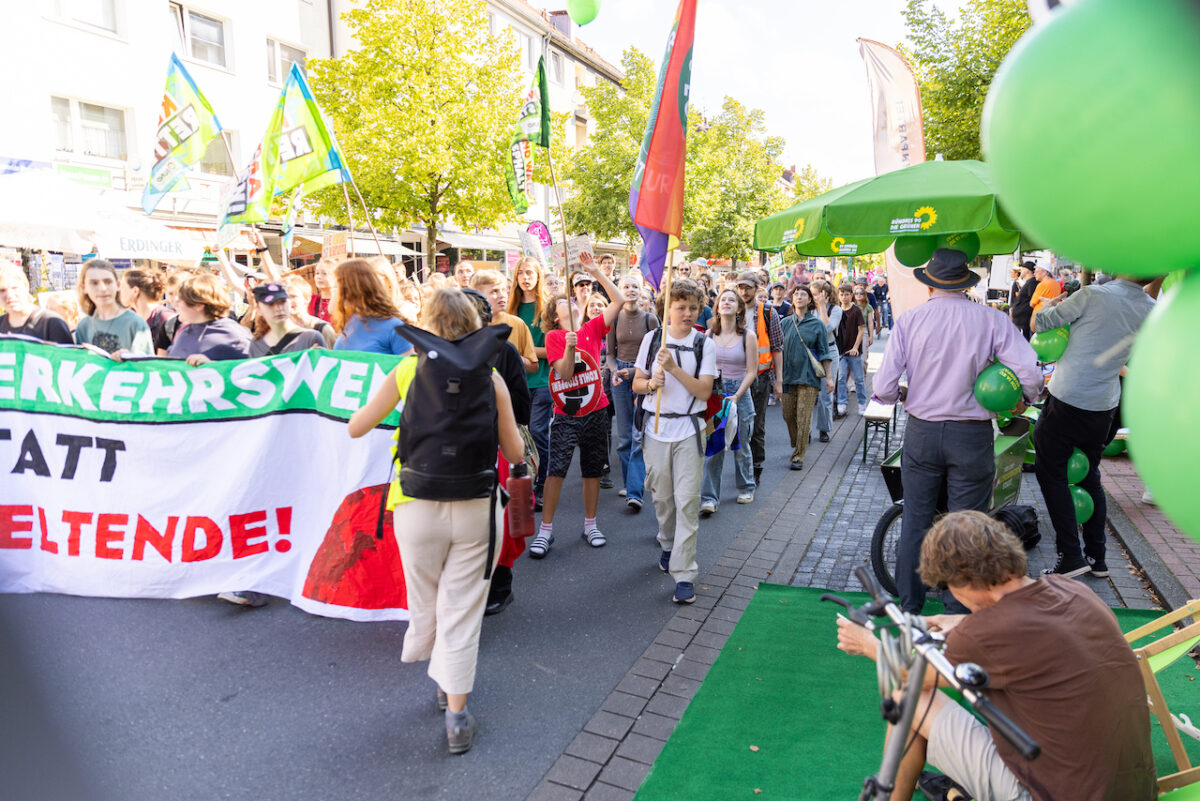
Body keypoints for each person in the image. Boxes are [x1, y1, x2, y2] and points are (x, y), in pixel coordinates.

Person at [836, 511, 1156, 801]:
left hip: (1049, 794)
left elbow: (911, 674)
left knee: (908, 698)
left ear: (965, 580)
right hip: (1135, 789)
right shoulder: (1071, 590)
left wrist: (866, 643)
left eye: (949, 586)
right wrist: (960, 621)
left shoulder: (986, 633)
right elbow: (1040, 631)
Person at [348, 287, 524, 756]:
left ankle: (434, 664)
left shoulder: (407, 368)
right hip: (477, 507)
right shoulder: (491, 378)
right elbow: (515, 452)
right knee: (463, 610)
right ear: (473, 324)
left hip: (416, 503)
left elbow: (356, 426)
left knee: (427, 598)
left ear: (425, 323)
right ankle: (457, 715)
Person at [872, 249, 1041, 614]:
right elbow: (1030, 371)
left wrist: (903, 391)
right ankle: (958, 611)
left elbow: (884, 387)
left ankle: (910, 608)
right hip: (972, 434)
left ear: (930, 285)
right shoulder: (990, 320)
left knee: (916, 519)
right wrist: (1025, 399)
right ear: (965, 284)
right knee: (967, 527)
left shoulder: (910, 320)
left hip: (922, 432)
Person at [1031, 274, 1156, 577]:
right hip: (1104, 405)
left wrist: (1050, 303)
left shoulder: (1092, 295)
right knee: (1090, 475)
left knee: (1051, 474)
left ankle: (1071, 556)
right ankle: (1097, 557)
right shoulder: (1152, 308)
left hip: (1069, 397)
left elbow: (1038, 324)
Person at [530, 253, 622, 557]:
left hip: (597, 408)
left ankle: (590, 524)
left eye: (572, 300)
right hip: (567, 414)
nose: (570, 302)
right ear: (556, 316)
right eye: (563, 303)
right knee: (556, 469)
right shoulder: (556, 336)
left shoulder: (593, 329)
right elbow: (565, 372)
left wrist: (596, 272)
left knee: (592, 469)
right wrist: (569, 348)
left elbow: (618, 301)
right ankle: (546, 531)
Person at [633, 277, 716, 605]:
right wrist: (652, 383)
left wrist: (675, 368)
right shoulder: (652, 339)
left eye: (693, 308)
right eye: (680, 307)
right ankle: (667, 543)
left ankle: (684, 573)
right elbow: (638, 384)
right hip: (656, 431)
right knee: (663, 499)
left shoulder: (703, 343)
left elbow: (704, 391)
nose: (687, 313)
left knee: (687, 502)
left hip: (690, 431)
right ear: (667, 310)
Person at [699, 288, 757, 514]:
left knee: (740, 444)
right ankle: (709, 498)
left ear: (740, 308)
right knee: (714, 445)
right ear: (717, 306)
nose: (726, 303)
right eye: (723, 300)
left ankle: (746, 487)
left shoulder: (748, 336)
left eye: (732, 300)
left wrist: (737, 395)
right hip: (715, 394)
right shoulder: (708, 335)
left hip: (739, 392)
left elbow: (752, 371)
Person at [607, 271, 658, 513]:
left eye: (634, 286)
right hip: (620, 378)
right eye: (625, 286)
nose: (630, 290)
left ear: (641, 291)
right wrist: (616, 371)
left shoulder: (650, 319)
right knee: (624, 436)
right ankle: (630, 485)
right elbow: (609, 353)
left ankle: (635, 491)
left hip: (641, 378)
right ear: (620, 290)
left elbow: (657, 354)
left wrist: (640, 374)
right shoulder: (614, 318)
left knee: (638, 435)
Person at [509, 257, 552, 508]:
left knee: (537, 433)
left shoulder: (545, 307)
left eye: (530, 273)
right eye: (521, 273)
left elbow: (552, 349)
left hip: (542, 380)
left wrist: (525, 352)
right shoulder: (510, 310)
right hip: (515, 382)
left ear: (538, 277)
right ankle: (523, 482)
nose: (525, 278)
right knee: (517, 436)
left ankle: (541, 483)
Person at [733, 272, 783, 485]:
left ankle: (756, 467)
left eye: (748, 288)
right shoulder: (732, 310)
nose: (744, 292)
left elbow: (777, 348)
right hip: (736, 377)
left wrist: (778, 380)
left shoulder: (768, 312)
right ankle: (743, 464)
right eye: (740, 288)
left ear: (757, 288)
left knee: (757, 424)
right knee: (737, 424)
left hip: (761, 376)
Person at [779, 284, 833, 470]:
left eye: (803, 294)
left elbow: (825, 354)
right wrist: (775, 378)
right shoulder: (785, 323)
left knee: (803, 417)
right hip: (787, 377)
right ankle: (799, 440)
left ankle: (798, 456)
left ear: (810, 300)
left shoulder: (817, 324)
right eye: (796, 294)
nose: (799, 296)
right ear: (792, 299)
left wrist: (830, 378)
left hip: (809, 378)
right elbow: (777, 352)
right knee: (788, 415)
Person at [332, 259, 412, 356]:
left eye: (338, 286)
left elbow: (408, 365)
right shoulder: (351, 320)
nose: (335, 292)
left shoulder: (394, 327)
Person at [168, 272, 252, 365]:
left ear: (198, 305)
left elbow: (255, 371)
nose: (175, 305)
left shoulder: (234, 335)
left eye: (180, 301)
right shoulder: (184, 330)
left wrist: (213, 365)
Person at [74, 259, 154, 356]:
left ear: (118, 285)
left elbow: (147, 366)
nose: (102, 289)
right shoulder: (83, 326)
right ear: (84, 288)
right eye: (94, 283)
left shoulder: (135, 324)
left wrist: (128, 359)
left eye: (108, 282)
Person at [470, 269, 536, 372]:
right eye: (495, 291)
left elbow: (533, 366)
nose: (502, 295)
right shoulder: (468, 325)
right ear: (479, 296)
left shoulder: (517, 323)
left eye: (504, 290)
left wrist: (512, 356)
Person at [0, 264, 73, 344]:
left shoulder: (51, 323)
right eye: (2, 290)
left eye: (15, 288)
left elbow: (68, 355)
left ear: (26, 287)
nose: (9, 295)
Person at [248, 282, 328, 356]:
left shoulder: (311, 338)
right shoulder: (256, 345)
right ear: (258, 309)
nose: (278, 308)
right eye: (271, 304)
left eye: (282, 302)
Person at [810, 279, 841, 442]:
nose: (813, 297)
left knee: (826, 394)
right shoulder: (809, 309)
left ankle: (824, 429)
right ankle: (805, 430)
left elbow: (827, 328)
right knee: (808, 392)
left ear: (825, 295)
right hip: (812, 352)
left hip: (829, 350)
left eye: (815, 294)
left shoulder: (835, 309)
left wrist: (822, 307)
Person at [834, 283, 868, 417]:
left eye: (847, 294)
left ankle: (862, 403)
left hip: (854, 351)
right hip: (841, 350)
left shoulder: (856, 311)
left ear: (851, 295)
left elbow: (861, 330)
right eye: (841, 295)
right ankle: (842, 402)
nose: (844, 297)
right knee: (841, 378)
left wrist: (855, 347)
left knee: (859, 379)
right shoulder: (837, 310)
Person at [118, 268, 173, 344]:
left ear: (135, 291)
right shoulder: (129, 317)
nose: (119, 291)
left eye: (122, 287)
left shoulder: (165, 317)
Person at [282, 274, 337, 347]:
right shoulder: (279, 332)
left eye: (293, 296)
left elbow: (334, 357)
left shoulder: (323, 329)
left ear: (307, 298)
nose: (288, 301)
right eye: (284, 297)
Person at [1028, 264, 1061, 332]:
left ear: (1045, 272)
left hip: (1039, 317)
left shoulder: (1042, 284)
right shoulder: (1056, 284)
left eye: (1036, 272)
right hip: (1051, 316)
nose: (1034, 274)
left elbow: (1032, 303)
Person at [1010, 262, 1037, 340]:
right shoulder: (1029, 282)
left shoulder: (1032, 283)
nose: (1020, 271)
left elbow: (1032, 300)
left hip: (1024, 321)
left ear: (1027, 270)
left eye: (1022, 269)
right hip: (1022, 320)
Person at [308, 258, 335, 323]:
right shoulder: (311, 299)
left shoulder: (340, 302)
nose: (319, 277)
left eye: (324, 273)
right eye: (317, 273)